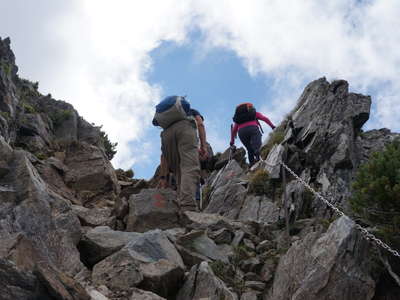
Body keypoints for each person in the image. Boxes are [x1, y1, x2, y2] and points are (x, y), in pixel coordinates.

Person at [153, 96, 203, 212]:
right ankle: (188, 206)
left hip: (166, 136)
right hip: (185, 130)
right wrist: (204, 146)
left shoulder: (166, 120)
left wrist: (163, 176)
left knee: (178, 172)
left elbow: (163, 155)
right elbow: (200, 124)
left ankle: (182, 204)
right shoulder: (192, 112)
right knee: (189, 168)